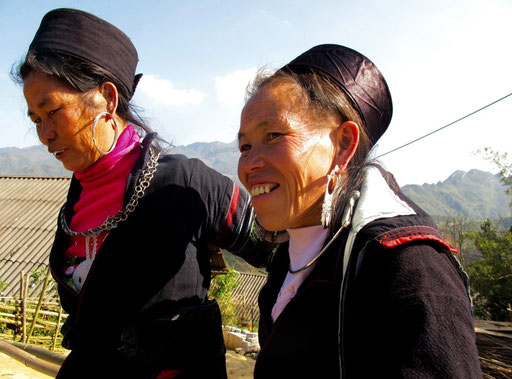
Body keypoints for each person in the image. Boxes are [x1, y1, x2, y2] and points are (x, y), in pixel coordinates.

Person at [14, 8, 262, 379]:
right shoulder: (76, 196)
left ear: (107, 99)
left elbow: (282, 249)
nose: (44, 134)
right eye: (36, 119)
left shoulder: (186, 181)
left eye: (52, 111)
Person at [237, 44, 482, 378]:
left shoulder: (408, 268)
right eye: (245, 146)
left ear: (342, 146)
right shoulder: (289, 257)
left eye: (273, 135)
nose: (250, 164)